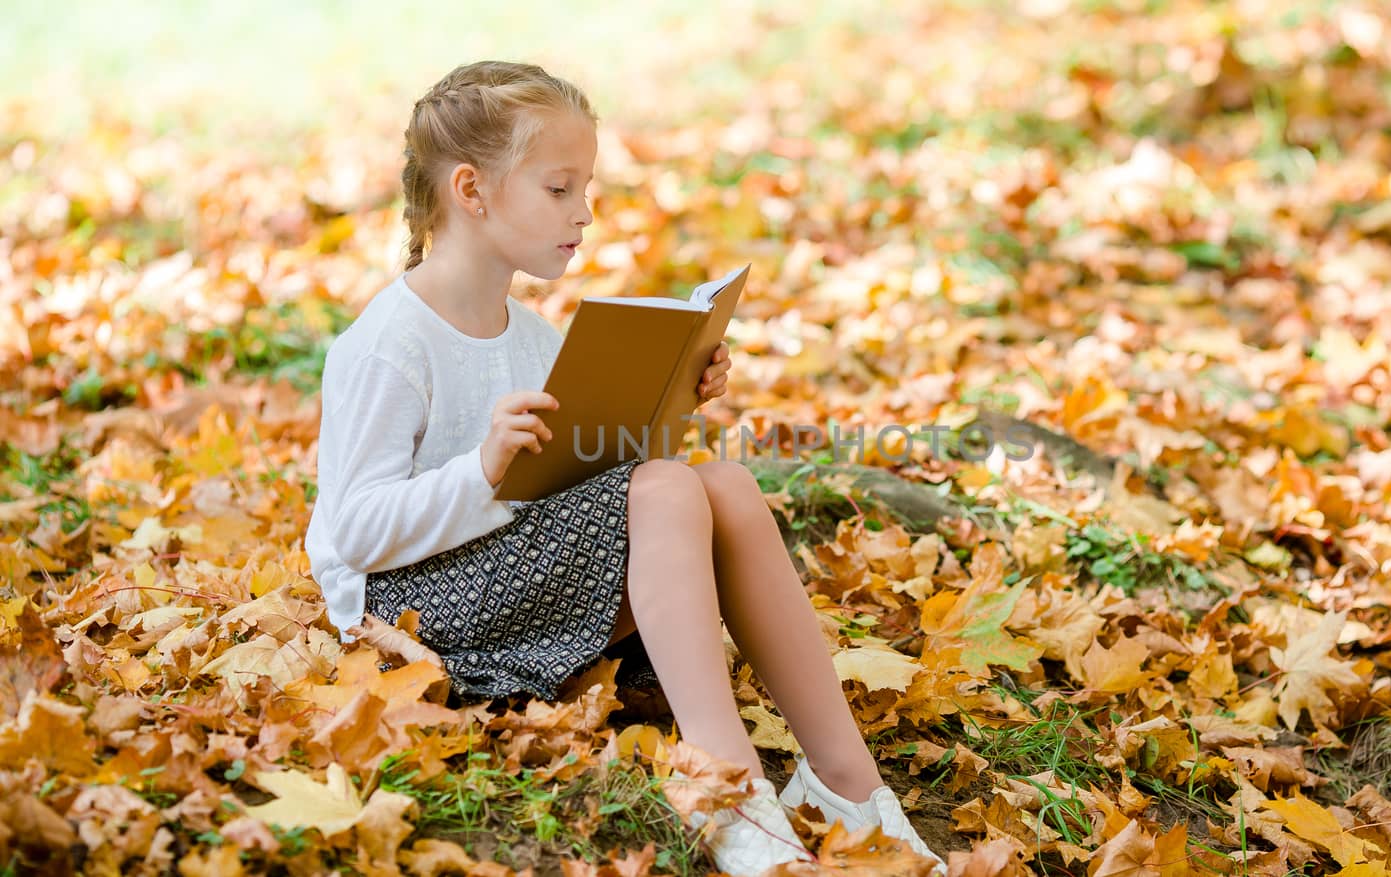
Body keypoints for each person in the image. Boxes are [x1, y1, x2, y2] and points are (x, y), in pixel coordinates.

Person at [303, 61, 945, 876]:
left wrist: (675, 398)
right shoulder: (391, 344)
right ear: (471, 190)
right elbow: (352, 534)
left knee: (727, 484)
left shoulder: (534, 338)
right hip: (416, 623)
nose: (586, 213)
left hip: (515, 589)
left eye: (587, 188)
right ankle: (727, 784)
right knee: (673, 487)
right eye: (560, 189)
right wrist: (481, 469)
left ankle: (845, 782)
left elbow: (609, 494)